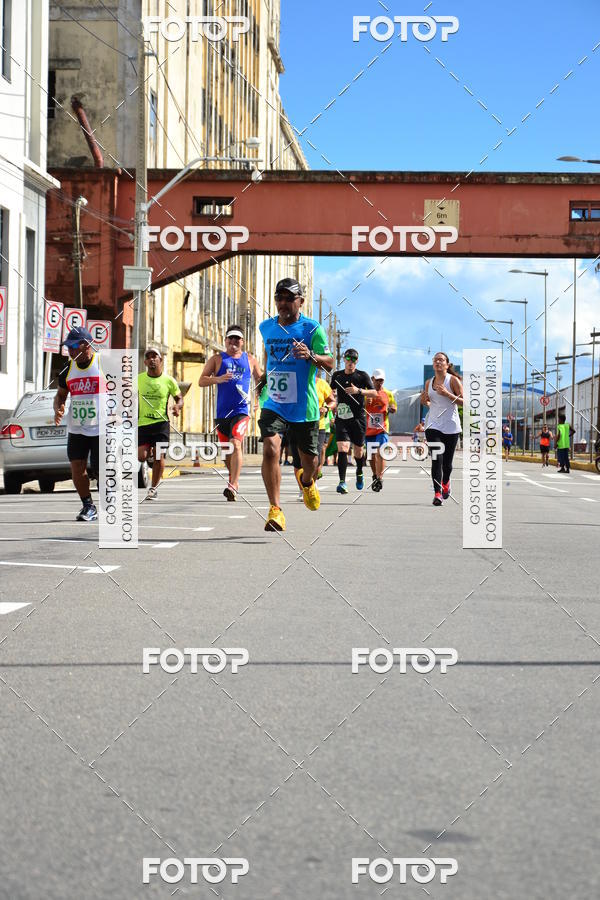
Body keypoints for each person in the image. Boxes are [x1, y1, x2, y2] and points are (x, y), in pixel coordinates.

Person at [258, 277, 333, 531]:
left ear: (300, 300)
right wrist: (262, 377)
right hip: (274, 402)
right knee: (270, 447)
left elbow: (330, 363)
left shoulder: (312, 329)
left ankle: (308, 481)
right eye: (279, 298)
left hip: (304, 407)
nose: (283, 303)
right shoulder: (265, 327)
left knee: (310, 461)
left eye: (290, 298)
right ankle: (275, 510)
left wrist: (311, 355)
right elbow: (268, 355)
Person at [199, 324, 262, 500]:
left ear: (242, 342)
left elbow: (260, 381)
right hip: (222, 413)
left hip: (241, 411)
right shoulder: (217, 359)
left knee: (236, 444)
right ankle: (233, 479)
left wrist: (258, 400)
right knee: (227, 452)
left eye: (237, 339)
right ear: (226, 340)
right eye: (231, 338)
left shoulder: (250, 359)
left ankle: (233, 485)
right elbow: (201, 381)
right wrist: (218, 378)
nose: (234, 342)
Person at [53, 327, 102, 521]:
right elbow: (60, 396)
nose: (70, 351)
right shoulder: (68, 368)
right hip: (77, 426)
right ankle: (88, 506)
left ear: (87, 345)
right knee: (77, 466)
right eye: (68, 347)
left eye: (73, 346)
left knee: (101, 469)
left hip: (103, 427)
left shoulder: (104, 362)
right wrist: (58, 408)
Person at [138, 348, 183, 501]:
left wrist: (178, 407)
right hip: (143, 423)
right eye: (148, 357)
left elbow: (179, 398)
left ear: (160, 360)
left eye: (155, 356)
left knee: (159, 456)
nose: (152, 359)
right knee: (141, 456)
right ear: (145, 362)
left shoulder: (169, 381)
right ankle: (150, 453)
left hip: (161, 423)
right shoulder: (138, 379)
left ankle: (153, 488)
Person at [420, 351, 463, 506]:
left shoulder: (454, 381)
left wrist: (447, 394)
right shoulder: (428, 382)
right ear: (433, 364)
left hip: (451, 426)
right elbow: (430, 403)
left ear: (447, 364)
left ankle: (446, 482)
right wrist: (424, 401)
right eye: (435, 360)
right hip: (433, 425)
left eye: (441, 360)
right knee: (436, 460)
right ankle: (437, 493)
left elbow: (465, 402)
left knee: (447, 464)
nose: (438, 362)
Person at [331, 349, 376, 494]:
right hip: (342, 417)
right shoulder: (337, 375)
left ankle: (359, 470)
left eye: (354, 359)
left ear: (357, 361)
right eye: (348, 359)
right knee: (343, 448)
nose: (351, 362)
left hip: (358, 418)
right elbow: (330, 392)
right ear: (344, 359)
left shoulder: (362, 375)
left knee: (358, 451)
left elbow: (374, 392)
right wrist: (331, 405)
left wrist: (359, 391)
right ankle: (342, 482)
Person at [365, 374, 390, 492]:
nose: (379, 382)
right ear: (372, 379)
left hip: (382, 428)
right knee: (371, 455)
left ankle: (380, 478)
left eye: (381, 380)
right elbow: (358, 407)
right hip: (368, 429)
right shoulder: (365, 392)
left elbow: (393, 406)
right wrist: (365, 402)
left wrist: (392, 409)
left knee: (381, 452)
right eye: (377, 380)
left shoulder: (388, 393)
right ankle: (375, 475)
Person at [316, 370, 335, 478]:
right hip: (305, 424)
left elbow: (331, 405)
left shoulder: (323, 386)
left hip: (324, 425)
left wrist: (326, 410)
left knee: (322, 449)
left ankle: (319, 469)